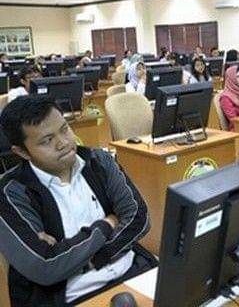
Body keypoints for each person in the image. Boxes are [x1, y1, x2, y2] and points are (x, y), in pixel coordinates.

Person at [0, 96, 155, 306]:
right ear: (22, 152)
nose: (63, 143)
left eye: (64, 129)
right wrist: (107, 224)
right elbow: (46, 265)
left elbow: (139, 218)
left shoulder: (99, 160)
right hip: (70, 296)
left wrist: (93, 257)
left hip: (131, 272)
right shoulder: (11, 193)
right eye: (47, 140)